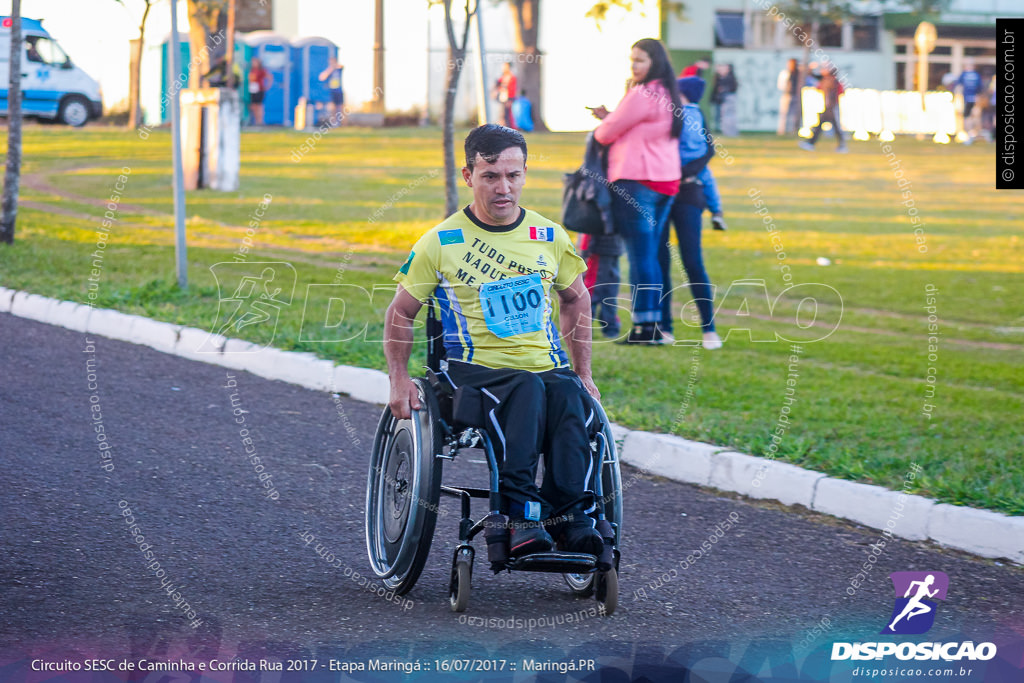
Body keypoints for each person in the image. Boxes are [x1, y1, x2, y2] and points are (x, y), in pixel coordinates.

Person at [384, 124, 604, 558]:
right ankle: (520, 514)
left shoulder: (547, 235)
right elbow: (400, 313)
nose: (504, 187)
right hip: (472, 371)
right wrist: (398, 380)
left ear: (524, 174)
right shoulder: (441, 242)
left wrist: (584, 374)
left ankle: (572, 518)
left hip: (543, 367)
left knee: (566, 394)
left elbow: (577, 299)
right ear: (469, 176)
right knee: (525, 388)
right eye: (490, 176)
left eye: (513, 175)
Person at [591, 38, 682, 345]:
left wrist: (607, 120)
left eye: (640, 60)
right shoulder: (671, 93)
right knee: (652, 256)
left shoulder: (642, 93)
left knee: (640, 257)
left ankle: (645, 329)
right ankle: (654, 325)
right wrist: (614, 117)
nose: (634, 66)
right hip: (666, 182)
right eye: (632, 60)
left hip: (637, 182)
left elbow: (605, 134)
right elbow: (637, 128)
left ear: (653, 62)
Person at [659, 76, 723, 351]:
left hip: (685, 193)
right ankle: (663, 328)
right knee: (660, 261)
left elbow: (709, 150)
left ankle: (708, 329)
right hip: (661, 193)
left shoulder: (690, 114)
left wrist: (682, 173)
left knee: (691, 261)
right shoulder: (669, 113)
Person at [578, 232, 623, 339]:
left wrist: (584, 252)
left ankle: (584, 327)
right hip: (613, 246)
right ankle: (611, 327)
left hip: (599, 248)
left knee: (591, 291)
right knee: (609, 290)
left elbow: (589, 227)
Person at [799, 66, 847, 153]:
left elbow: (832, 94)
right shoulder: (829, 80)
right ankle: (811, 143)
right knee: (828, 126)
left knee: (829, 126)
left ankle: (811, 143)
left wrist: (829, 104)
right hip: (830, 106)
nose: (822, 70)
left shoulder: (830, 81)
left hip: (830, 107)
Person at [956, 59, 982, 142]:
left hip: (969, 99)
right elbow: (980, 88)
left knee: (968, 117)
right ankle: (972, 135)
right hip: (973, 99)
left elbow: (958, 86)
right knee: (974, 117)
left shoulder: (964, 75)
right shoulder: (976, 75)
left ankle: (970, 135)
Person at [711, 63, 739, 136]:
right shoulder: (721, 78)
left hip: (728, 99)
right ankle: (729, 132)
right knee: (727, 116)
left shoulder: (728, 78)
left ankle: (730, 133)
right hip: (726, 99)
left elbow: (730, 88)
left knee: (728, 116)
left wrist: (722, 90)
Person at [777, 58, 802, 135]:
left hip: (796, 96)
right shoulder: (785, 73)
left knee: (795, 115)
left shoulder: (799, 73)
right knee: (784, 114)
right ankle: (783, 131)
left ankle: (793, 131)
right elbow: (781, 85)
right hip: (787, 95)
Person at [319, 56, 345, 125]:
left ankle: (342, 123)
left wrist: (335, 66)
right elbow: (322, 77)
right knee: (333, 107)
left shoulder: (338, 69)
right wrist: (331, 68)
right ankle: (334, 122)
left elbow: (341, 66)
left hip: (339, 90)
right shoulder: (330, 70)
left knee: (340, 107)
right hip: (333, 91)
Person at [492, 62, 518, 129]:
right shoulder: (503, 77)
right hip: (503, 98)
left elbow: (513, 89)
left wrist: (511, 99)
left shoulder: (512, 77)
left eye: (506, 67)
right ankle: (503, 128)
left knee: (507, 115)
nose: (504, 68)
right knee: (502, 114)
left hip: (508, 99)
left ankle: (508, 129)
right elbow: (497, 85)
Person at [247, 57, 271, 126]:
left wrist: (267, 86)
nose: (253, 64)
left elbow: (269, 77)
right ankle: (256, 120)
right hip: (252, 90)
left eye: (254, 62)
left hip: (259, 90)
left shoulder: (261, 71)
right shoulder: (252, 70)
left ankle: (260, 121)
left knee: (259, 105)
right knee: (253, 105)